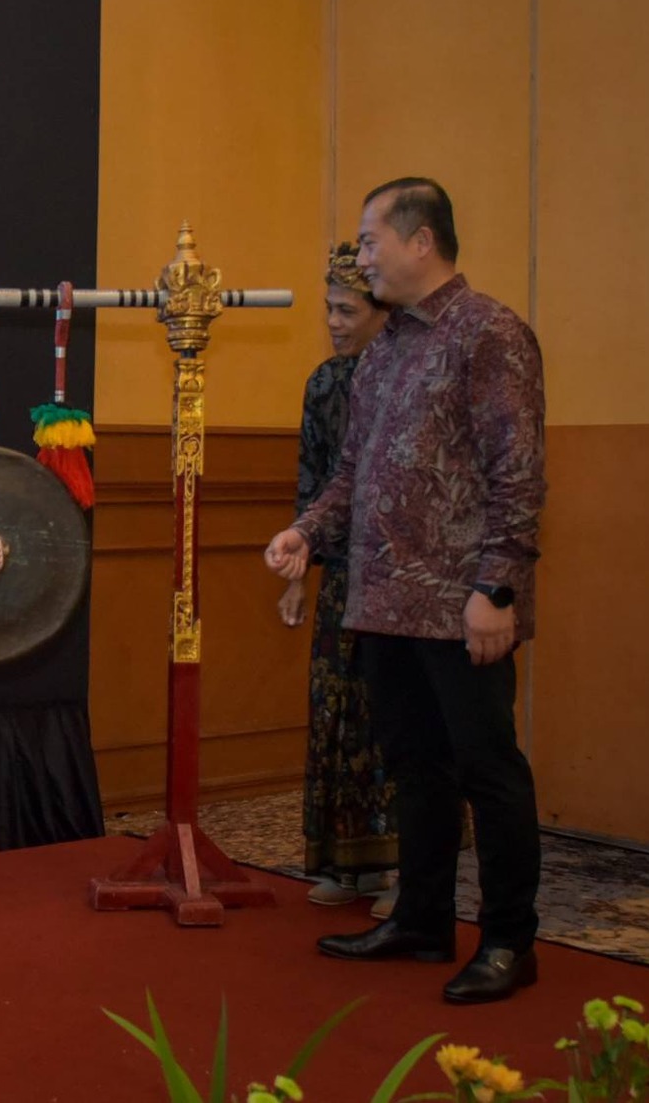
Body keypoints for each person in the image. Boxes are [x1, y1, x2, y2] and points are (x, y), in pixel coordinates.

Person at [266, 177, 546, 1006]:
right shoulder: (384, 349)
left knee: (487, 769)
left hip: (461, 607)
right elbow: (353, 472)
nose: (361, 254)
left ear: (422, 241)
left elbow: (518, 473)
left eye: (369, 238)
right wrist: (307, 533)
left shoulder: (491, 333)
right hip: (383, 604)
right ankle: (423, 918)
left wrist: (497, 585)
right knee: (415, 768)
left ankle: (508, 939)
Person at [279, 243, 398, 918]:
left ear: (384, 311)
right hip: (341, 571)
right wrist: (300, 570)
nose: (333, 320)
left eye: (347, 309)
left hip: (398, 573)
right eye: (328, 307)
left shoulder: (407, 377)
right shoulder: (325, 383)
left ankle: (409, 866)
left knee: (391, 717)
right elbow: (313, 480)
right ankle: (351, 866)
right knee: (337, 711)